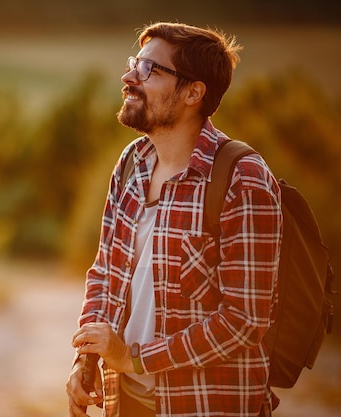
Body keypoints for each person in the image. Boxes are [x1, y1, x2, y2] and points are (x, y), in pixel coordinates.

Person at [66, 22, 283, 417]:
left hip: (205, 406)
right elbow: (104, 273)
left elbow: (243, 321)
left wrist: (134, 358)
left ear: (193, 93)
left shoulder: (242, 178)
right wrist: (87, 359)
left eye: (149, 70)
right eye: (135, 63)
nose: (129, 77)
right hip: (125, 402)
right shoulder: (132, 164)